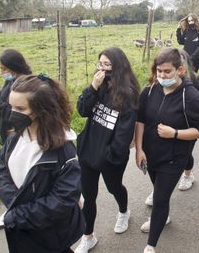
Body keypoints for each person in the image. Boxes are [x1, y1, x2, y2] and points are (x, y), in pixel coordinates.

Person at [0, 74, 85, 253]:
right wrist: (15, 205)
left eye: (20, 108)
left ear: (41, 110)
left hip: (50, 234)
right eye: (11, 106)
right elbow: (0, 170)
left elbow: (62, 200)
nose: (12, 113)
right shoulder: (15, 137)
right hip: (23, 230)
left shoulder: (64, 152)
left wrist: (17, 214)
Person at [135, 47, 199, 253]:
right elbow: (140, 120)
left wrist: (175, 133)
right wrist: (139, 149)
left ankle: (150, 246)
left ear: (180, 69)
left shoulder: (190, 96)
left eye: (167, 71)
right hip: (150, 155)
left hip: (174, 158)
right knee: (159, 191)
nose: (162, 76)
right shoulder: (149, 90)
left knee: (159, 198)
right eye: (159, 71)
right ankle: (163, 217)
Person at [74, 47, 140, 253]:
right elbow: (82, 110)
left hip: (111, 157)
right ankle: (88, 236)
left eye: (106, 65)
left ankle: (123, 211)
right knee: (89, 195)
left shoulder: (128, 93)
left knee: (114, 187)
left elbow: (124, 134)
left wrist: (109, 156)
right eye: (99, 64)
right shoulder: (99, 86)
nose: (101, 69)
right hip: (88, 151)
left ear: (117, 67)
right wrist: (92, 88)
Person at [0, 49, 32, 229]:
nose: (1, 71)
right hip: (8, 135)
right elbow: (6, 100)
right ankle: (15, 207)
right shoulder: (11, 80)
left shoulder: (24, 84)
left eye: (4, 68)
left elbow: (18, 115)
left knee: (15, 176)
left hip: (17, 134)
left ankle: (16, 209)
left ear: (13, 67)